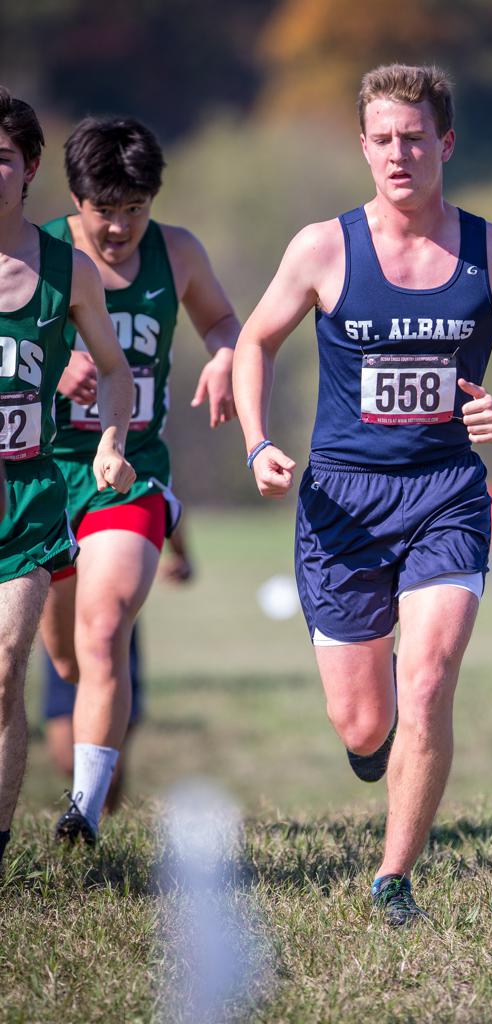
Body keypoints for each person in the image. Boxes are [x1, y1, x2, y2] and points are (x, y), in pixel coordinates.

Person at [232, 64, 492, 925]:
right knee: (363, 724)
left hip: (449, 494)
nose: (399, 154)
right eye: (382, 139)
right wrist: (259, 441)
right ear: (363, 146)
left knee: (427, 685)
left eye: (415, 137)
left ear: (446, 143)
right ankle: (377, 739)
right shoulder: (322, 248)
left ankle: (393, 877)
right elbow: (254, 344)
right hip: (341, 503)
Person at [38, 116, 240, 845]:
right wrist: (52, 363)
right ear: (74, 197)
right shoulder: (41, 252)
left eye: (135, 209)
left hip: (129, 471)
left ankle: (83, 812)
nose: (120, 228)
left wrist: (223, 353)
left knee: (106, 625)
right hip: (43, 473)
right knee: (64, 653)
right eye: (105, 210)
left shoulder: (177, 252)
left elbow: (222, 321)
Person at [0, 87, 135, 866]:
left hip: (24, 501)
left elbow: (114, 372)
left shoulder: (66, 269)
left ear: (29, 170)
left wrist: (109, 441)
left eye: (2, 159)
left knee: (4, 668)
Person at [42, 520, 194, 813]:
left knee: (112, 740)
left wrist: (181, 553)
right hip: (61, 595)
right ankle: (93, 804)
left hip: (109, 602)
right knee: (64, 756)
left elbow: (161, 485)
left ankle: (98, 818)